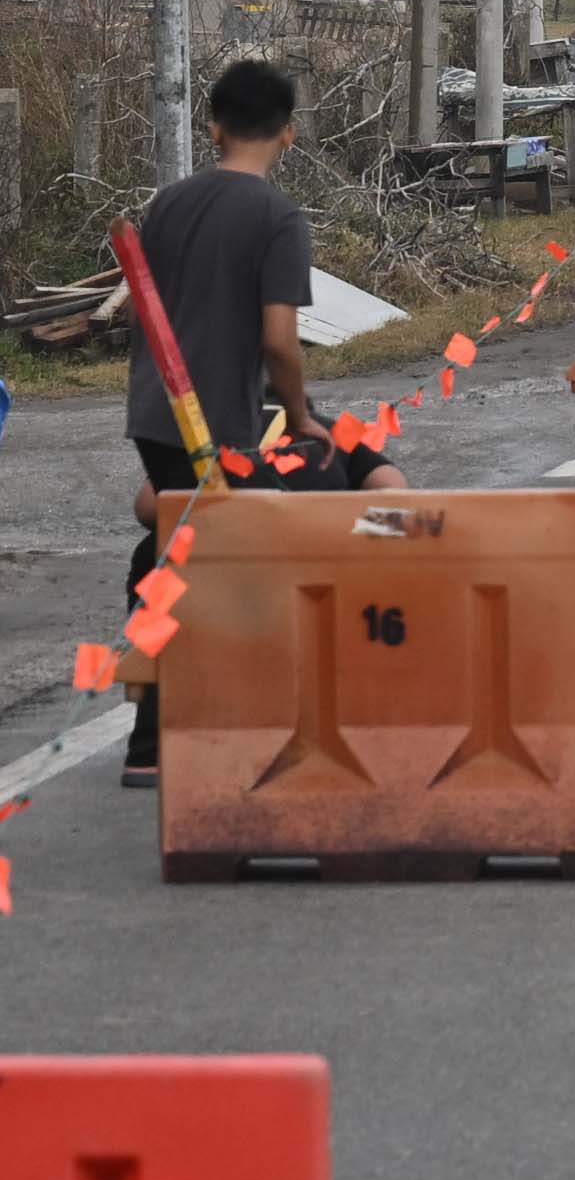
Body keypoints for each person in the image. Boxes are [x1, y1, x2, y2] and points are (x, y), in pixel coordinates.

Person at [118, 57, 403, 785]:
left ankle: (157, 735)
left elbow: (150, 310)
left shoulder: (169, 204)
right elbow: (280, 338)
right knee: (208, 562)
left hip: (155, 412)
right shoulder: (279, 217)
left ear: (212, 126)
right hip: (216, 422)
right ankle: (197, 729)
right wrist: (301, 415)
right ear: (290, 135)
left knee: (172, 551)